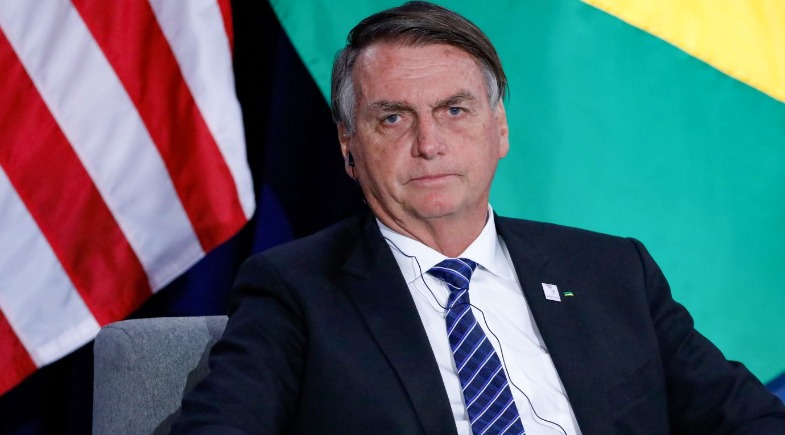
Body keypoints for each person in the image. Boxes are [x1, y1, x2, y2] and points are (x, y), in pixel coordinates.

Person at [171, 2, 785, 434]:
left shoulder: (611, 269)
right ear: (348, 147)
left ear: (500, 129)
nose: (428, 144)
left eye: (454, 110)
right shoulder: (296, 289)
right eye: (393, 118)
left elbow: (748, 418)